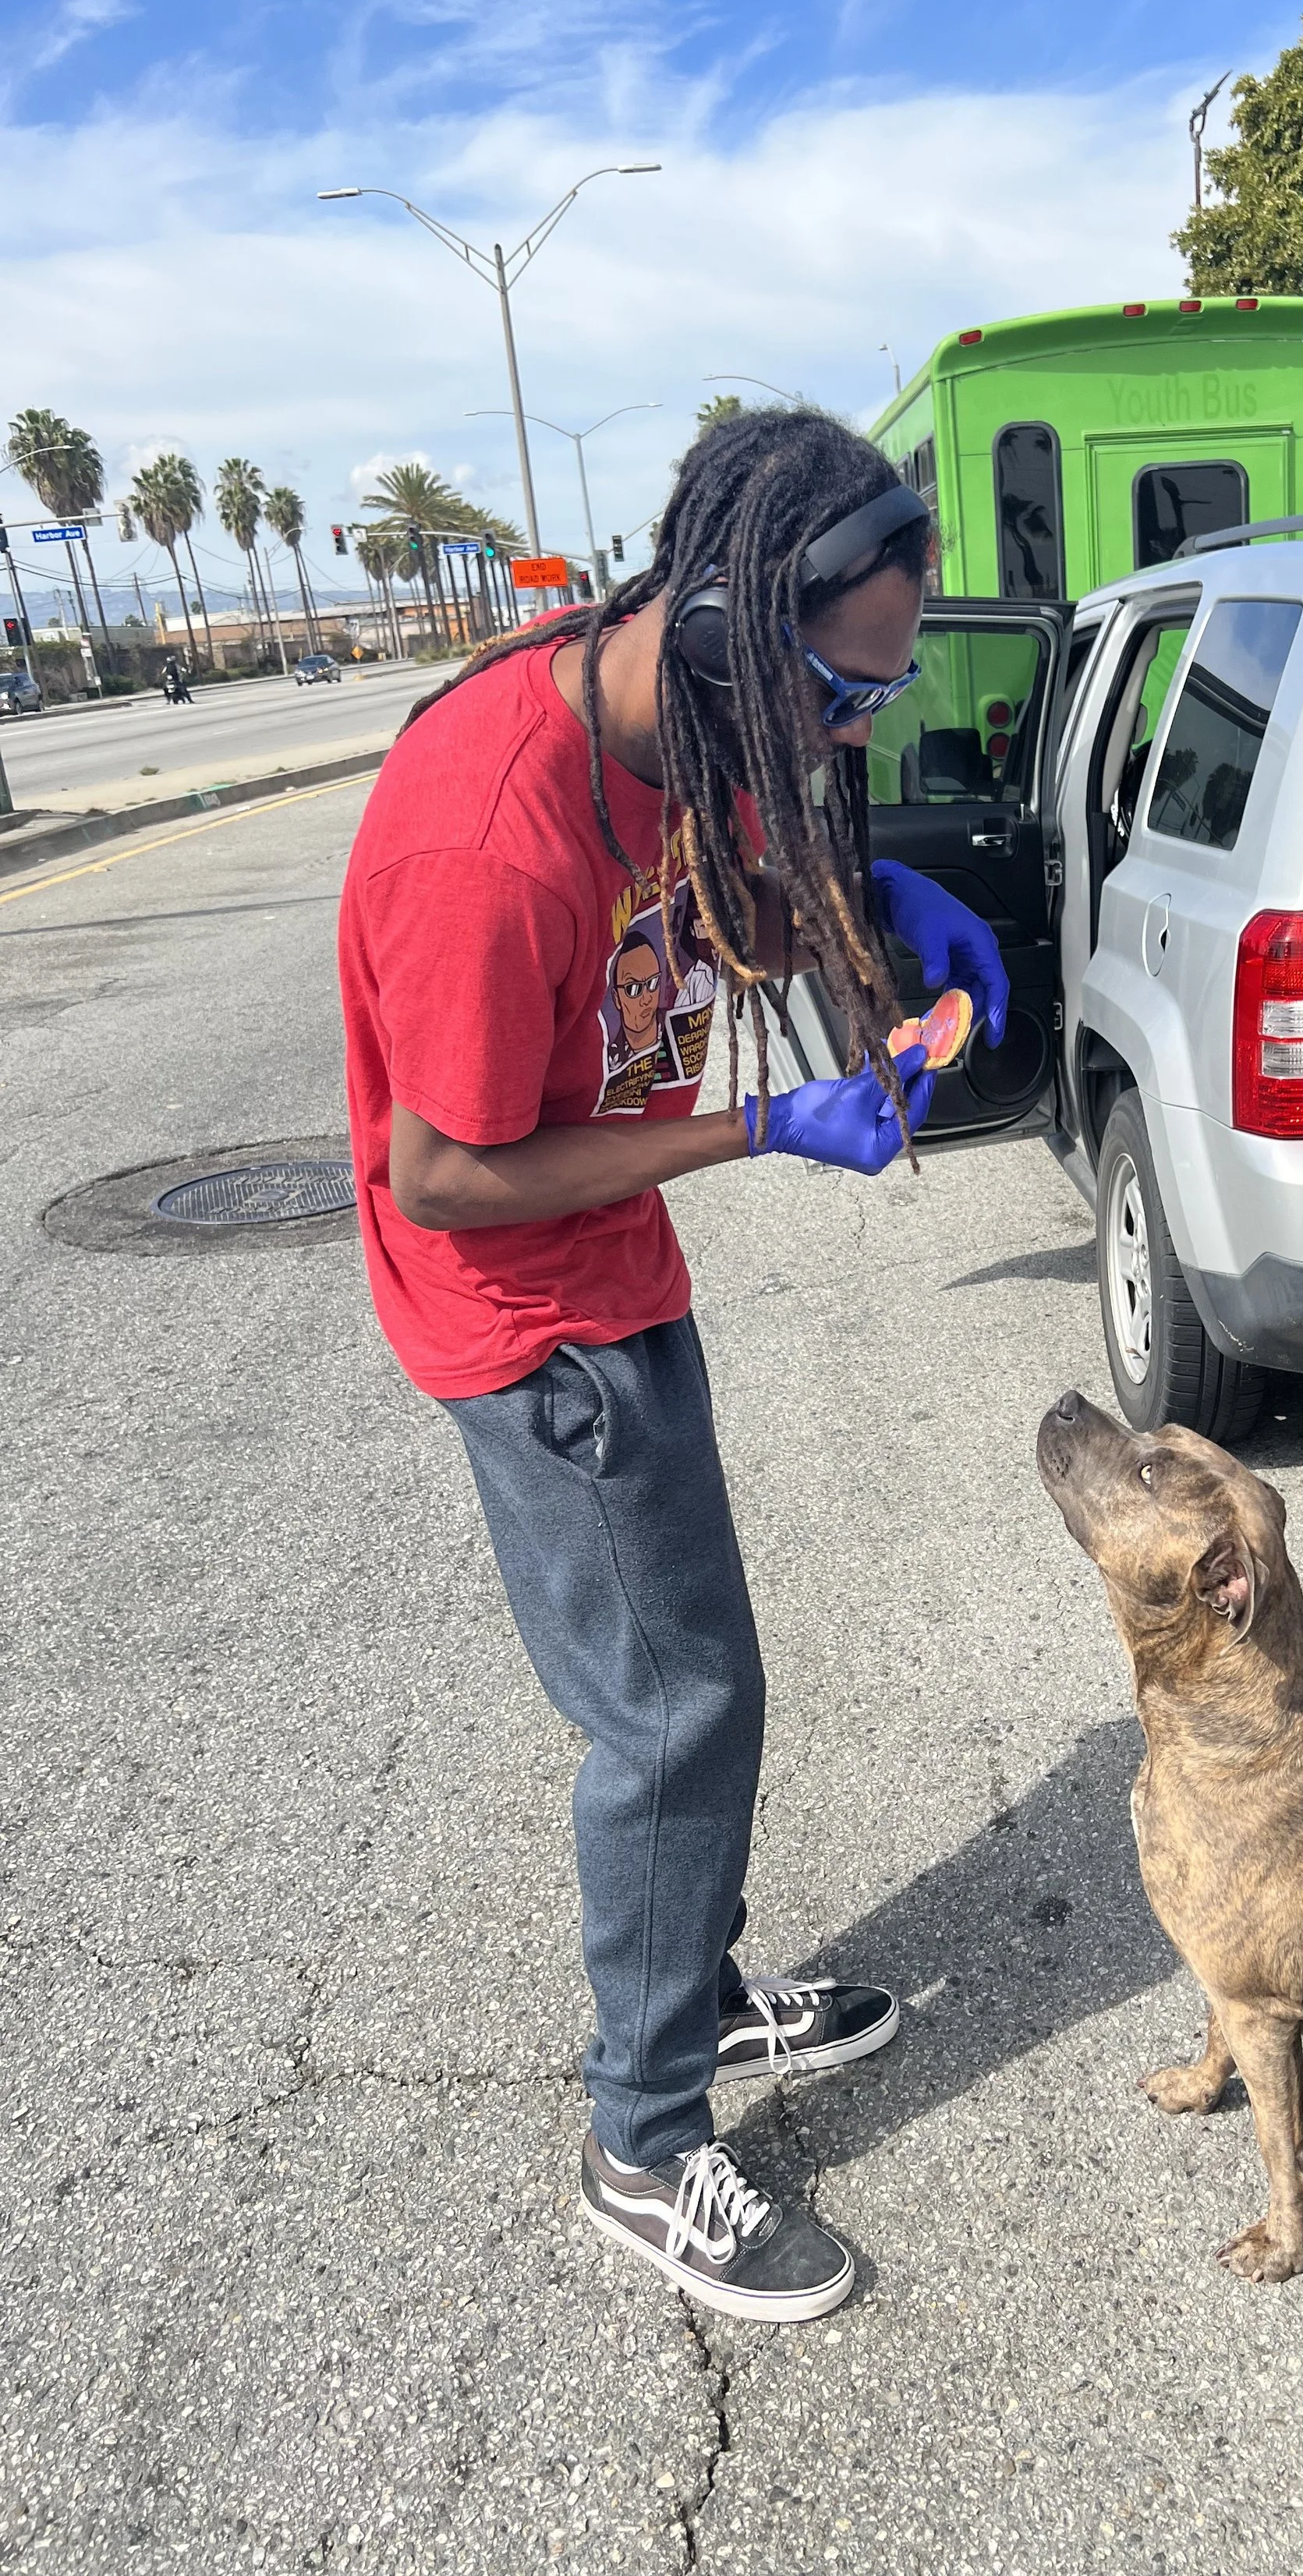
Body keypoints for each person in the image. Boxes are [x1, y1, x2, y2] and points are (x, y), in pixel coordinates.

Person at [337, 408, 1009, 2326]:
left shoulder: (681, 729)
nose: (852, 733)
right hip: (519, 1313)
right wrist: (755, 1133)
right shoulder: (492, 830)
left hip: (612, 1264)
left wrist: (885, 913)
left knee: (702, 1673)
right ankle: (640, 2135)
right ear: (720, 630)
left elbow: (735, 890)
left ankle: (696, 1991)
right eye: (838, 691)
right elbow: (443, 1169)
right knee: (671, 1715)